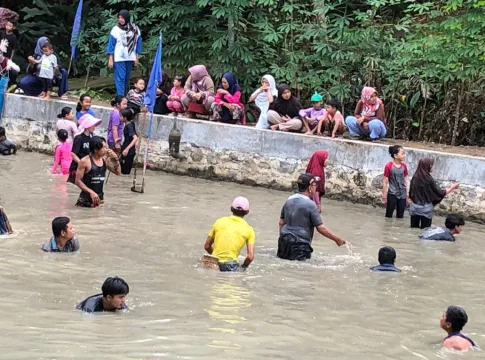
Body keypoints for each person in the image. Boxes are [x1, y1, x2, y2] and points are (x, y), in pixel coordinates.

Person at [277, 173, 346, 261]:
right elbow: (320, 228)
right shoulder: (311, 205)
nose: (316, 187)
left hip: (284, 241)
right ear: (309, 188)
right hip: (300, 245)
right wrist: (337, 239)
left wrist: (282, 238)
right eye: (314, 185)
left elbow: (281, 222)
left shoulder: (288, 201)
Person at [204, 196, 255, 272]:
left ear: (231, 208)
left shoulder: (219, 221)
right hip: (231, 266)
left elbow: (207, 246)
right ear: (247, 212)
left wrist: (217, 257)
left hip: (212, 262)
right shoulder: (249, 230)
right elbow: (250, 257)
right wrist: (243, 267)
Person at [409, 158, 460, 229]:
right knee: (425, 231)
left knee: (413, 229)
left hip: (414, 207)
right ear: (428, 166)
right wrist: (453, 187)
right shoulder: (429, 179)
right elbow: (440, 193)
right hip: (426, 209)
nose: (433, 167)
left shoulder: (415, 177)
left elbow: (411, 193)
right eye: (432, 165)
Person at [75, 136, 121, 207]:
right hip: (85, 200)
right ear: (96, 149)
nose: (106, 150)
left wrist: (115, 158)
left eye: (106, 147)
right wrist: (91, 192)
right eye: (103, 147)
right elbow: (78, 181)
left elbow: (118, 172)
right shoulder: (84, 161)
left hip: (100, 199)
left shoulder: (105, 159)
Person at [107, 9, 142, 96]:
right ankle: (120, 97)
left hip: (130, 57)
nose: (120, 19)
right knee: (120, 78)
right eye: (119, 18)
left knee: (126, 78)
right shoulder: (115, 29)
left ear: (127, 18)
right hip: (119, 58)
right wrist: (111, 59)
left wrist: (136, 57)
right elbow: (111, 45)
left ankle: (124, 96)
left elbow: (138, 43)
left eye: (122, 18)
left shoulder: (135, 29)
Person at [67, 114, 102, 184]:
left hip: (87, 168)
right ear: (87, 126)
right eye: (93, 125)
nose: (94, 127)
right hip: (77, 168)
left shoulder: (92, 138)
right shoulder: (79, 138)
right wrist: (81, 163)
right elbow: (73, 154)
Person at [382, 145, 409, 219]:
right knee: (388, 216)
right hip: (392, 193)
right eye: (402, 153)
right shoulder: (389, 166)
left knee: (400, 217)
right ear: (395, 155)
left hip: (402, 194)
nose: (404, 155)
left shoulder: (404, 166)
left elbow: (405, 180)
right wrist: (384, 195)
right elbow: (385, 181)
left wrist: (407, 195)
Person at [119, 108, 138, 175]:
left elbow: (135, 138)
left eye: (121, 116)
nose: (120, 117)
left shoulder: (129, 126)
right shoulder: (130, 123)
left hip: (128, 151)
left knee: (125, 172)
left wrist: (126, 149)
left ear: (125, 118)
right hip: (127, 149)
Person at [0, 18, 18, 87]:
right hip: (0, 56)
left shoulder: (14, 37)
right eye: (7, 25)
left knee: (7, 71)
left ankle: (7, 85)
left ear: (14, 27)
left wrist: (10, 59)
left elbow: (13, 49)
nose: (8, 26)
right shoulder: (2, 33)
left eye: (10, 25)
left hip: (6, 58)